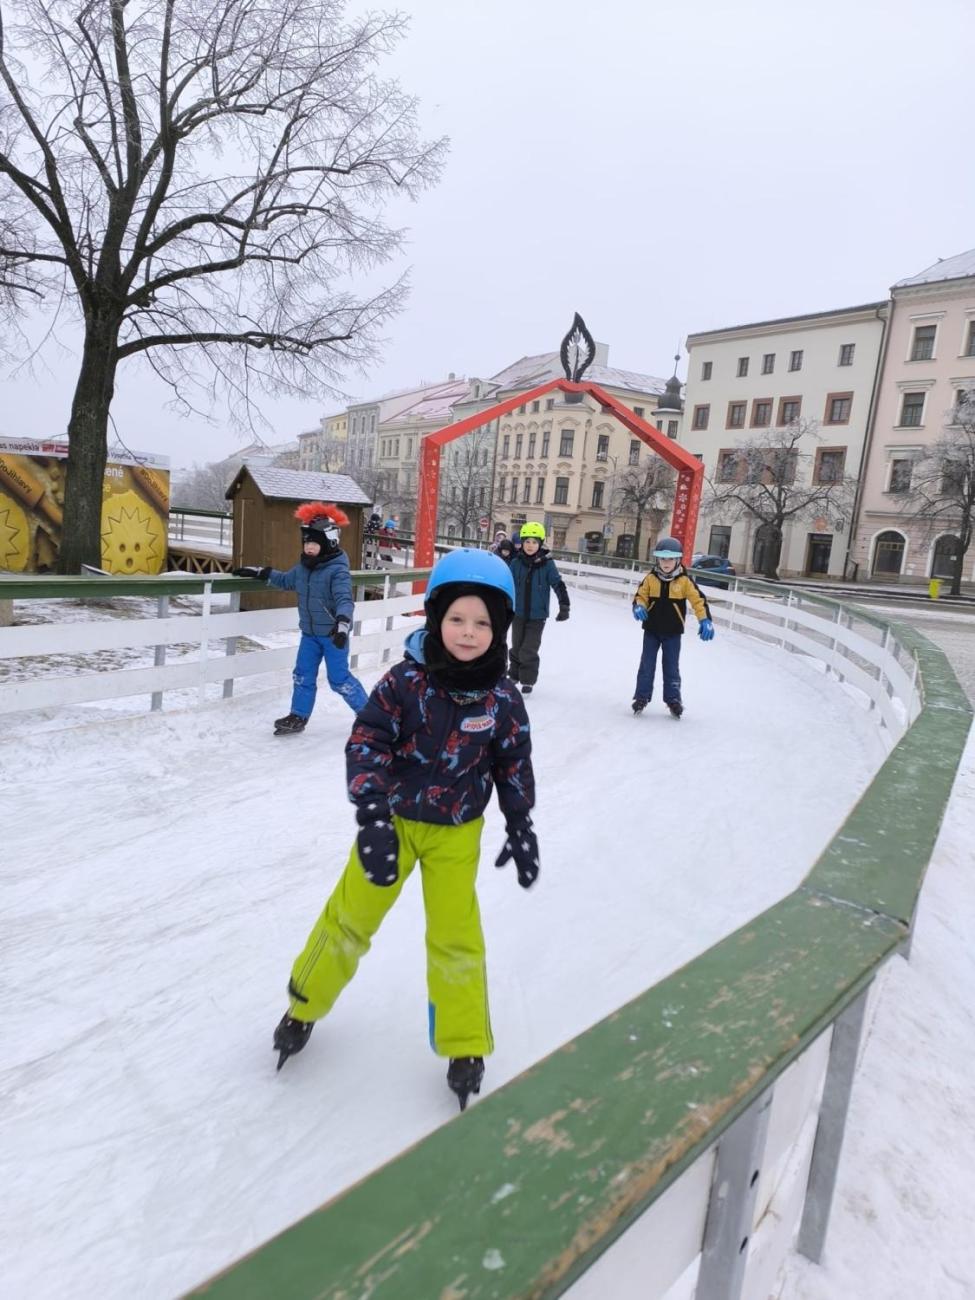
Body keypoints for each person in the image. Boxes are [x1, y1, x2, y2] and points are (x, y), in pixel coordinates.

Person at [271, 549, 538, 1110]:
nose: (469, 632)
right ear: (436, 617)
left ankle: (465, 1044)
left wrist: (520, 823)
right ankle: (302, 1005)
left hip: (456, 833)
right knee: (350, 918)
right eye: (458, 618)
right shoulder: (406, 683)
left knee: (456, 938)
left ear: (502, 629)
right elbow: (367, 741)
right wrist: (371, 816)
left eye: (483, 622)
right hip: (391, 821)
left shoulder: (503, 699)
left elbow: (512, 762)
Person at [233, 502, 368, 734]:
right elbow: (286, 580)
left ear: (329, 542)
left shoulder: (337, 571)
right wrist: (260, 573)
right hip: (309, 635)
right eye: (306, 542)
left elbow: (345, 599)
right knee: (302, 675)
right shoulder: (304, 568)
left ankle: (370, 715)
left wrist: (343, 624)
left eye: (314, 543)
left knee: (339, 679)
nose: (309, 548)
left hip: (333, 635)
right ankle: (298, 716)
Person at [631, 536, 714, 718]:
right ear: (657, 560)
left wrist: (704, 619)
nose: (666, 562)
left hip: (673, 633)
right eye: (662, 558)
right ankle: (642, 697)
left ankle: (673, 700)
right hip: (651, 630)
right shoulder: (651, 579)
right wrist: (639, 606)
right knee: (647, 664)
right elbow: (640, 596)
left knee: (671, 666)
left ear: (678, 560)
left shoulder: (684, 581)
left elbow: (698, 600)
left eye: (670, 559)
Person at [507, 522, 570, 694]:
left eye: (534, 542)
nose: (530, 546)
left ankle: (527, 680)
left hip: (537, 615)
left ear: (540, 544)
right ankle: (513, 674)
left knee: (529, 648)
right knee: (516, 645)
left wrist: (564, 605)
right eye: (527, 541)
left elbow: (558, 584)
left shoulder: (547, 564)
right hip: (518, 612)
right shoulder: (516, 563)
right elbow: (507, 584)